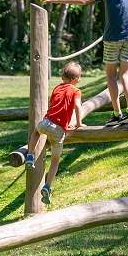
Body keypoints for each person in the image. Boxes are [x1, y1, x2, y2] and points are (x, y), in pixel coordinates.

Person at [24, 61, 85, 205]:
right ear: (77, 79)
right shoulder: (76, 91)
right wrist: (79, 123)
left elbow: (55, 106)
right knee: (55, 161)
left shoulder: (57, 88)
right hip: (58, 130)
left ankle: (30, 156)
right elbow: (77, 106)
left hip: (45, 122)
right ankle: (47, 186)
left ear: (62, 77)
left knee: (36, 132)